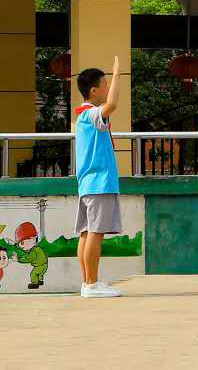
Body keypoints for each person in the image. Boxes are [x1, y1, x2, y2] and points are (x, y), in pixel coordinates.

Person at [73, 56, 124, 298]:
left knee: (86, 233)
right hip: (98, 182)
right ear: (93, 90)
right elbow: (112, 105)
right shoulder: (90, 114)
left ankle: (87, 283)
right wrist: (117, 75)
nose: (107, 89)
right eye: (104, 85)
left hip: (88, 184)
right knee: (95, 233)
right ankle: (91, 284)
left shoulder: (83, 116)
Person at [9, 222, 48, 290]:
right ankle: (40, 281)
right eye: (20, 244)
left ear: (34, 239)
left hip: (39, 266)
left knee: (33, 274)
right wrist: (15, 244)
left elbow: (28, 259)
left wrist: (18, 259)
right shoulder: (36, 248)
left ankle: (34, 284)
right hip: (44, 265)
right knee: (40, 274)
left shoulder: (33, 252)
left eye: (22, 243)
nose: (22, 246)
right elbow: (26, 250)